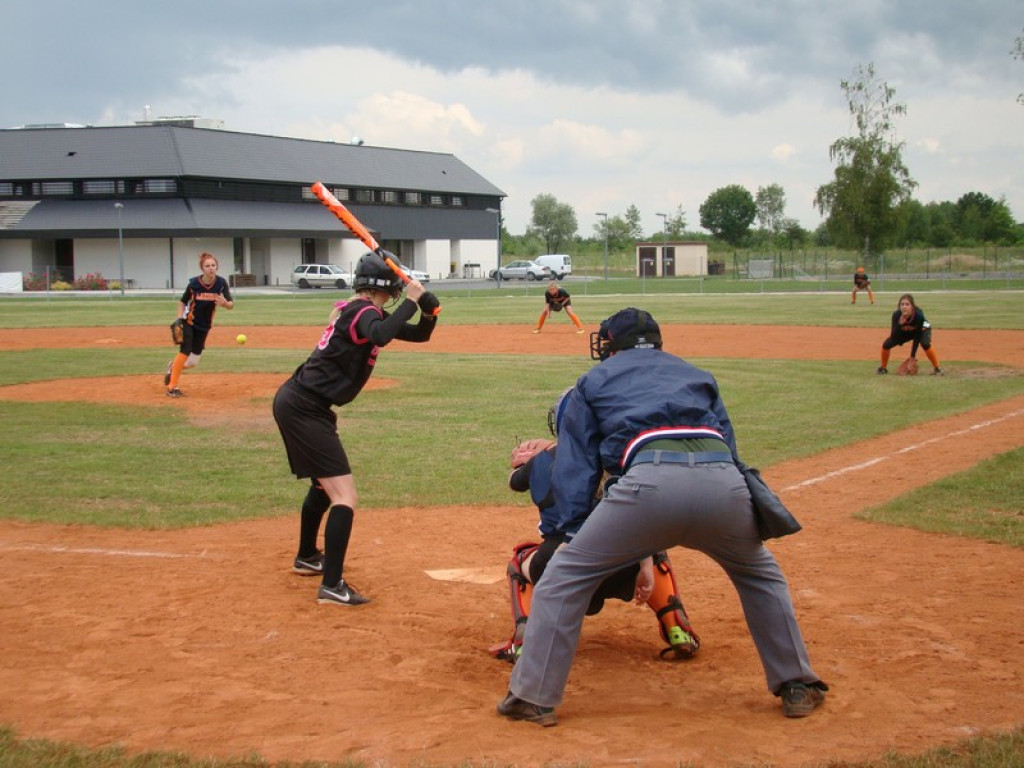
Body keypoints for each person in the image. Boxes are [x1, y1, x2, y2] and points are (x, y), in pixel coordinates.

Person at [497, 307, 827, 727]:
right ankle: (797, 684)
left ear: (609, 346)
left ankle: (532, 698)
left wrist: (575, 534)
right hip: (722, 484)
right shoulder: (696, 374)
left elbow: (576, 468)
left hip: (646, 486)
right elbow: (730, 446)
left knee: (563, 576)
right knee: (761, 575)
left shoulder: (593, 380)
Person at [272, 251, 439, 606]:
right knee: (344, 496)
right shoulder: (364, 312)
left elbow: (415, 335)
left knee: (323, 484)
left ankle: (306, 557)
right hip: (304, 407)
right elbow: (380, 334)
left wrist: (429, 312)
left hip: (304, 404)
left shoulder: (361, 311)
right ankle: (332, 585)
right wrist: (410, 301)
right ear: (387, 285)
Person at [489, 389, 700, 664]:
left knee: (519, 562)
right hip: (621, 563)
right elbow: (640, 521)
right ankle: (677, 628)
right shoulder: (623, 461)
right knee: (653, 549)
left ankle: (523, 641)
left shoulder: (542, 462)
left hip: (560, 565)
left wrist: (540, 455)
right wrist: (644, 564)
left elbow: (515, 480)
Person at [164, 252, 234, 397]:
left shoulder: (221, 283)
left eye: (213, 265)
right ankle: (172, 387)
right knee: (185, 351)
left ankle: (172, 367)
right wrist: (179, 319)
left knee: (193, 362)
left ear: (217, 267)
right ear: (202, 268)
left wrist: (225, 303)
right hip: (189, 322)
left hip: (205, 326)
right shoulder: (194, 284)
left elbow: (231, 304)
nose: (211, 268)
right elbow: (183, 301)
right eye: (207, 266)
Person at [877, 293, 943, 375]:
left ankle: (937, 369)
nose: (904, 307)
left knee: (925, 344)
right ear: (899, 306)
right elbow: (894, 336)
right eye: (902, 304)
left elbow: (917, 337)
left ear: (912, 307)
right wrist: (900, 324)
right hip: (906, 331)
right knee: (886, 345)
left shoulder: (919, 316)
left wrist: (912, 357)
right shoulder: (896, 315)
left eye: (907, 304)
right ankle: (883, 368)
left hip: (922, 329)